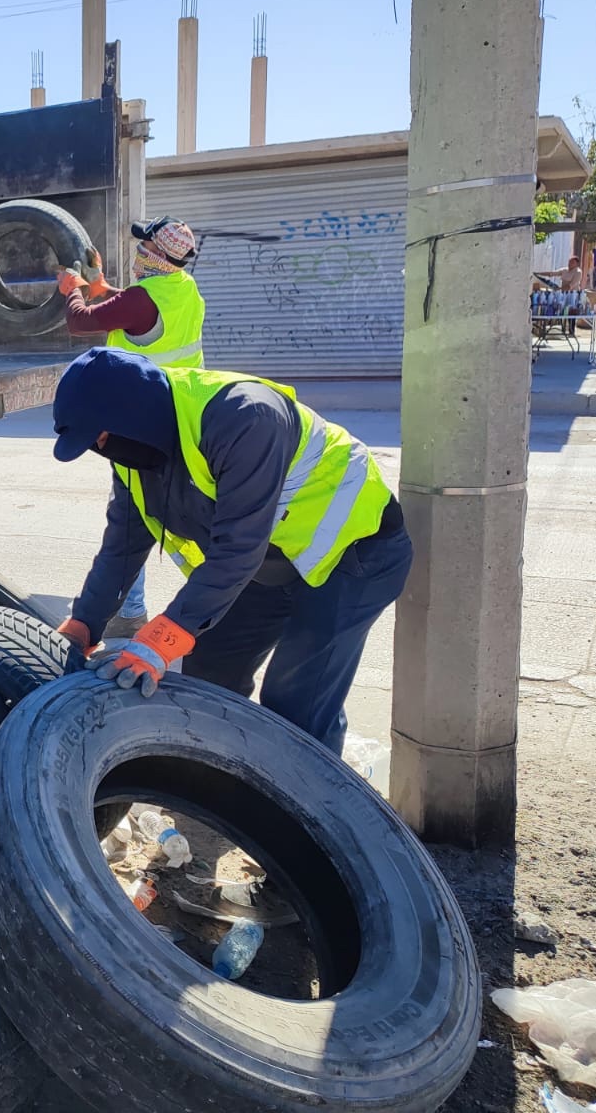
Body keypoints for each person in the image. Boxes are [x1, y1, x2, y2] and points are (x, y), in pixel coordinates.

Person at [50, 347, 411, 753]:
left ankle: (313, 810)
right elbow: (121, 548)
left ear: (132, 413)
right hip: (269, 564)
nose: (102, 448)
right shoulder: (133, 451)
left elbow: (237, 547)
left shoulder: (245, 417)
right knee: (211, 672)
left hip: (353, 553)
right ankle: (224, 785)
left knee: (296, 703)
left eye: (101, 435)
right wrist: (84, 623)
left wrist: (161, 638)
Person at [58, 216, 206, 639]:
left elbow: (81, 321)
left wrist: (74, 292)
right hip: (182, 420)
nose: (139, 250)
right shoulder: (184, 290)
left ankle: (136, 610)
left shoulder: (142, 299)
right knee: (140, 515)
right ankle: (133, 608)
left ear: (158, 255)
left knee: (130, 517)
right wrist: (98, 281)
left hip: (138, 427)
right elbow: (125, 304)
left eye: (145, 246)